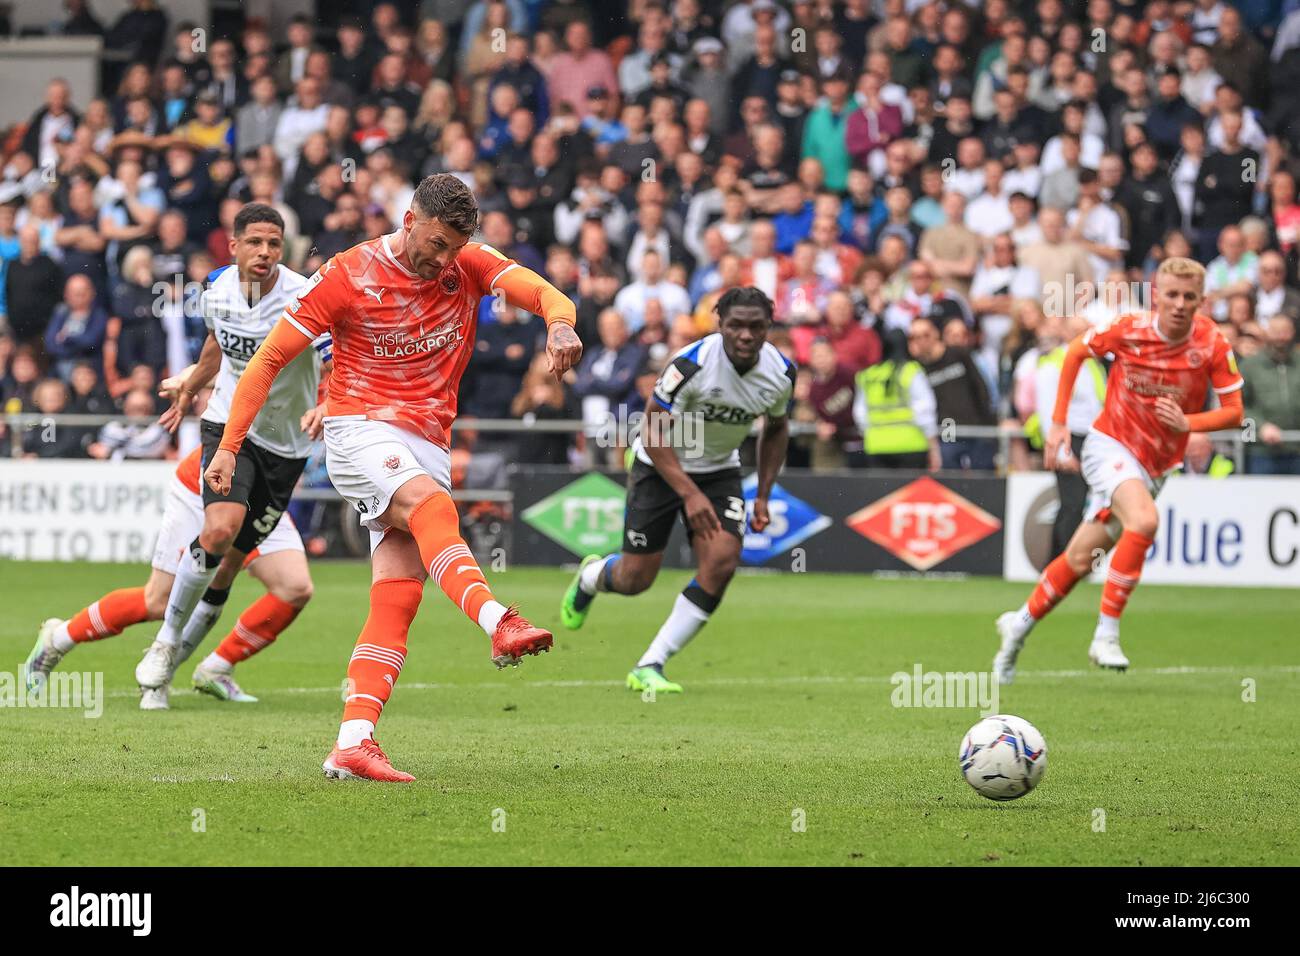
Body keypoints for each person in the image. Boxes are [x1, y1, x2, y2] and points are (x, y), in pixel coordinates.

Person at [204, 174, 582, 783]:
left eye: (455, 247)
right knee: (430, 506)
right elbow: (269, 359)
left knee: (399, 594)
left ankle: (353, 742)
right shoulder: (348, 273)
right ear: (410, 219)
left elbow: (544, 294)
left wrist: (559, 323)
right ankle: (497, 620)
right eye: (435, 243)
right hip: (358, 429)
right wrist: (228, 445)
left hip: (427, 440)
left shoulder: (470, 264)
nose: (443, 259)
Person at [993, 258, 1244, 683]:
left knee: (1078, 558)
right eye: (1171, 294)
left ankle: (1016, 627)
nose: (1179, 304)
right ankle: (1105, 634)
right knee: (1144, 520)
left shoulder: (1213, 344)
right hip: (1109, 444)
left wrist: (1190, 424)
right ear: (1155, 293)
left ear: (1203, 300)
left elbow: (1236, 413)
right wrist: (1057, 423)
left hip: (1157, 465)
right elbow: (1075, 351)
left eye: (1189, 297)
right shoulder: (1129, 328)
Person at [132, 203, 327, 710]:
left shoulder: (305, 298)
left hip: (286, 446)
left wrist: (328, 403)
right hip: (229, 424)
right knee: (218, 529)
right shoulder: (214, 288)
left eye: (274, 244)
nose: (265, 252)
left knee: (228, 567)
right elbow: (217, 347)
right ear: (234, 244)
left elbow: (340, 359)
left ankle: (174, 672)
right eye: (256, 242)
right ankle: (166, 641)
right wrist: (191, 386)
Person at [559, 287, 792, 695]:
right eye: (735, 325)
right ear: (719, 324)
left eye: (756, 327)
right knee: (636, 579)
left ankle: (651, 663)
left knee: (722, 560)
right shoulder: (691, 364)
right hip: (659, 464)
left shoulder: (781, 373)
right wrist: (688, 493)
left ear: (768, 327)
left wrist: (763, 495)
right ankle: (592, 578)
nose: (745, 335)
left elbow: (775, 429)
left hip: (719, 470)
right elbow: (651, 430)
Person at [24, 445, 314, 704]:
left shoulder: (335, 387)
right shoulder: (272, 383)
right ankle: (59, 638)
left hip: (262, 494)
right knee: (160, 601)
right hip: (210, 482)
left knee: (294, 586)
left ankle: (216, 668)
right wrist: (189, 382)